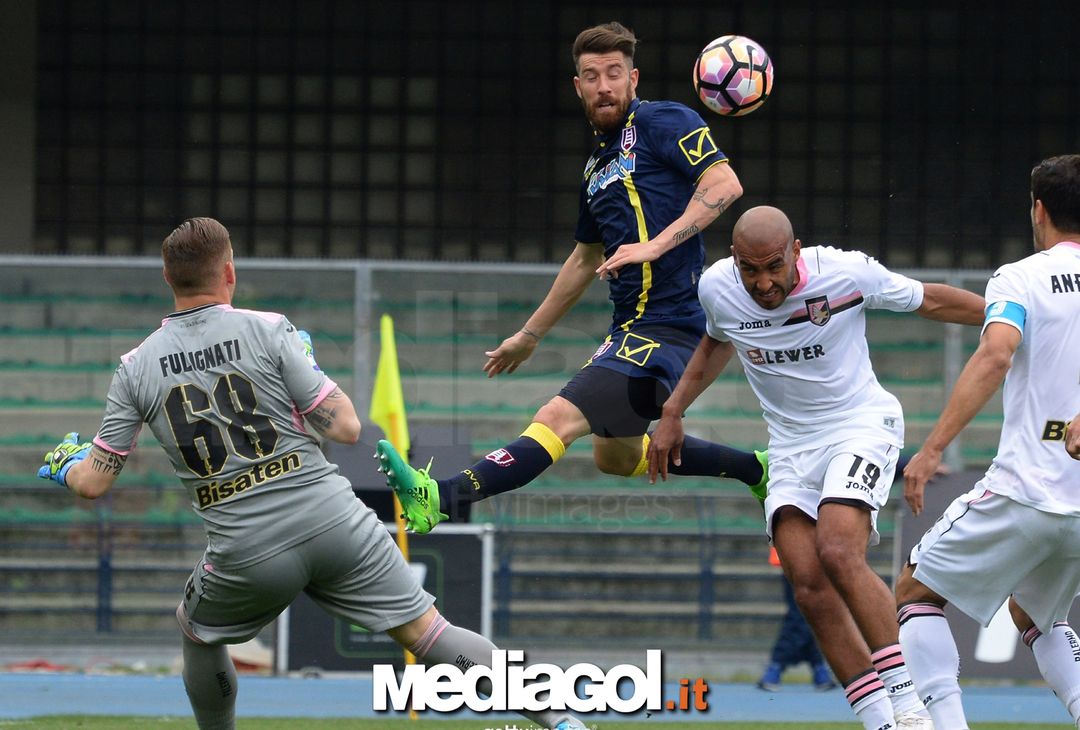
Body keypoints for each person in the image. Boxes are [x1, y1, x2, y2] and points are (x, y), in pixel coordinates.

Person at [35, 218, 587, 730]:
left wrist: (66, 467)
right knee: (429, 632)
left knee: (196, 633)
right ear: (229, 272)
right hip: (332, 519)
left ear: (166, 278)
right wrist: (307, 370)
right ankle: (562, 720)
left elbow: (94, 483)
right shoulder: (271, 330)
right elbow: (346, 427)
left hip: (246, 547)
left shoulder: (135, 367)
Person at [376, 21, 766, 534]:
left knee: (556, 418)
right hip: (629, 330)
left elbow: (724, 183)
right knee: (617, 458)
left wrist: (653, 245)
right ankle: (759, 470)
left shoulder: (663, 120)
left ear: (633, 78)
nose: (604, 85)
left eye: (614, 73)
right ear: (577, 86)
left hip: (670, 326)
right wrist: (529, 335)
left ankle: (441, 497)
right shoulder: (595, 168)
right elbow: (584, 259)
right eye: (591, 75)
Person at [648, 205, 986, 730]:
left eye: (773, 267)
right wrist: (673, 411)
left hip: (861, 425)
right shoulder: (717, 287)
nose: (763, 283)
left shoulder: (845, 273)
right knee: (807, 582)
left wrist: (1008, 319)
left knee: (836, 547)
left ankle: (911, 704)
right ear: (734, 262)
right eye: (750, 270)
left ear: (795, 251)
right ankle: (880, 721)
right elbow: (717, 340)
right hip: (789, 446)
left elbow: (930, 299)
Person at [896, 154, 1080, 730]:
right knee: (1039, 617)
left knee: (914, 594)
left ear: (1039, 209)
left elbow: (996, 353)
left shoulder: (1020, 277)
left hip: (1025, 489)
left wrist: (931, 450)